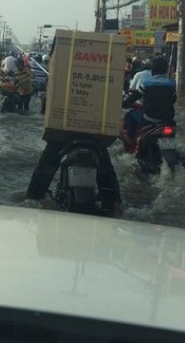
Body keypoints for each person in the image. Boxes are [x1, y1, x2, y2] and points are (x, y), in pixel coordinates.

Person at [25, 41, 121, 214]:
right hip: (94, 135)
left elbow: (45, 107)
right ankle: (115, 204)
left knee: (44, 169)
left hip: (62, 134)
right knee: (106, 171)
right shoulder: (103, 83)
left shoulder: (56, 78)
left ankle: (31, 201)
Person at [122, 56, 177, 144]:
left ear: (153, 69)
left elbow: (133, 98)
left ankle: (130, 138)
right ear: (166, 69)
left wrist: (123, 104)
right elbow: (173, 100)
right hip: (167, 120)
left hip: (149, 119)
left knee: (130, 115)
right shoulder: (172, 84)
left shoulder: (146, 83)